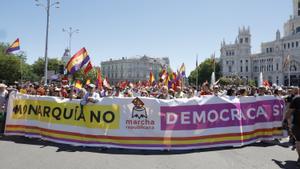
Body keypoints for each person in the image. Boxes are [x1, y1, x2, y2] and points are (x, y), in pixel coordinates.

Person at [284, 87, 300, 166]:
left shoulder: (296, 99)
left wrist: (287, 122)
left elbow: (288, 113)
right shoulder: (295, 99)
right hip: (297, 124)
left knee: (298, 141)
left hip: (297, 124)